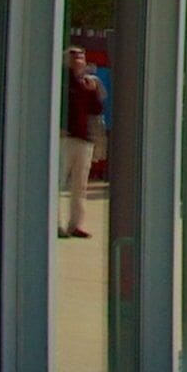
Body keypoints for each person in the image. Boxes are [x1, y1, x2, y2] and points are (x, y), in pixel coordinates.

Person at [61, 46, 106, 238]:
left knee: (80, 187)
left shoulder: (88, 82)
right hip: (66, 138)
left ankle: (75, 224)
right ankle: (53, 223)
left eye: (81, 57)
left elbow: (96, 110)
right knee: (59, 181)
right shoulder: (63, 81)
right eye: (74, 57)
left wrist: (93, 91)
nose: (79, 60)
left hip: (84, 139)